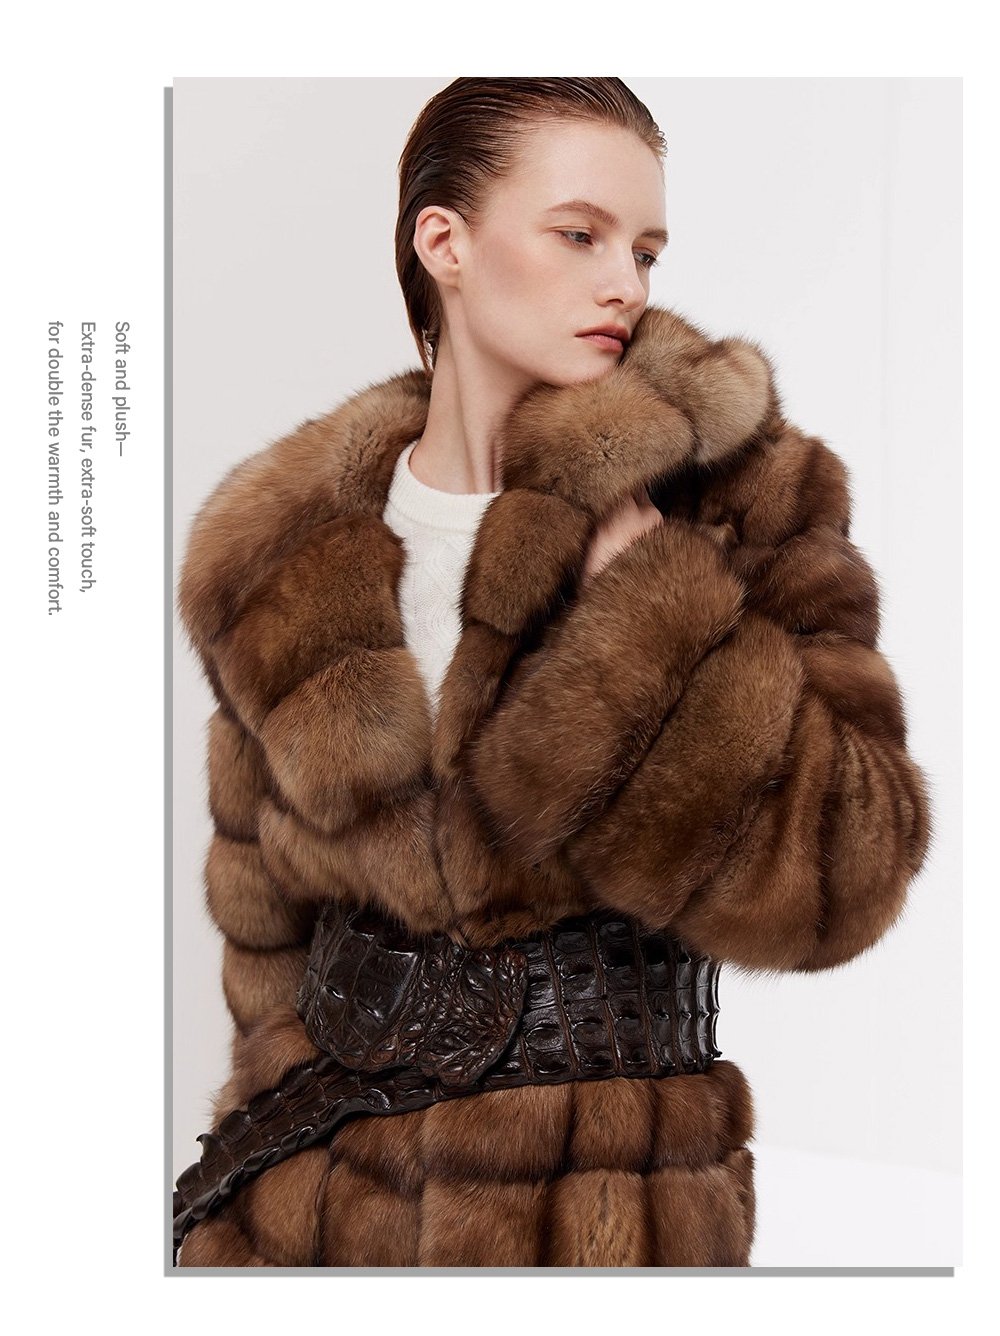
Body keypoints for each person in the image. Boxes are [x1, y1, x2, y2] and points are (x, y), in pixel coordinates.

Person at [174, 78, 933, 1268]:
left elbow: (852, 874)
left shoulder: (733, 494)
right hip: (318, 1220)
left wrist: (656, 618)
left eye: (645, 248)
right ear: (445, 244)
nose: (625, 281)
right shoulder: (280, 554)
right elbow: (263, 935)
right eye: (580, 234)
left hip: (606, 1229)